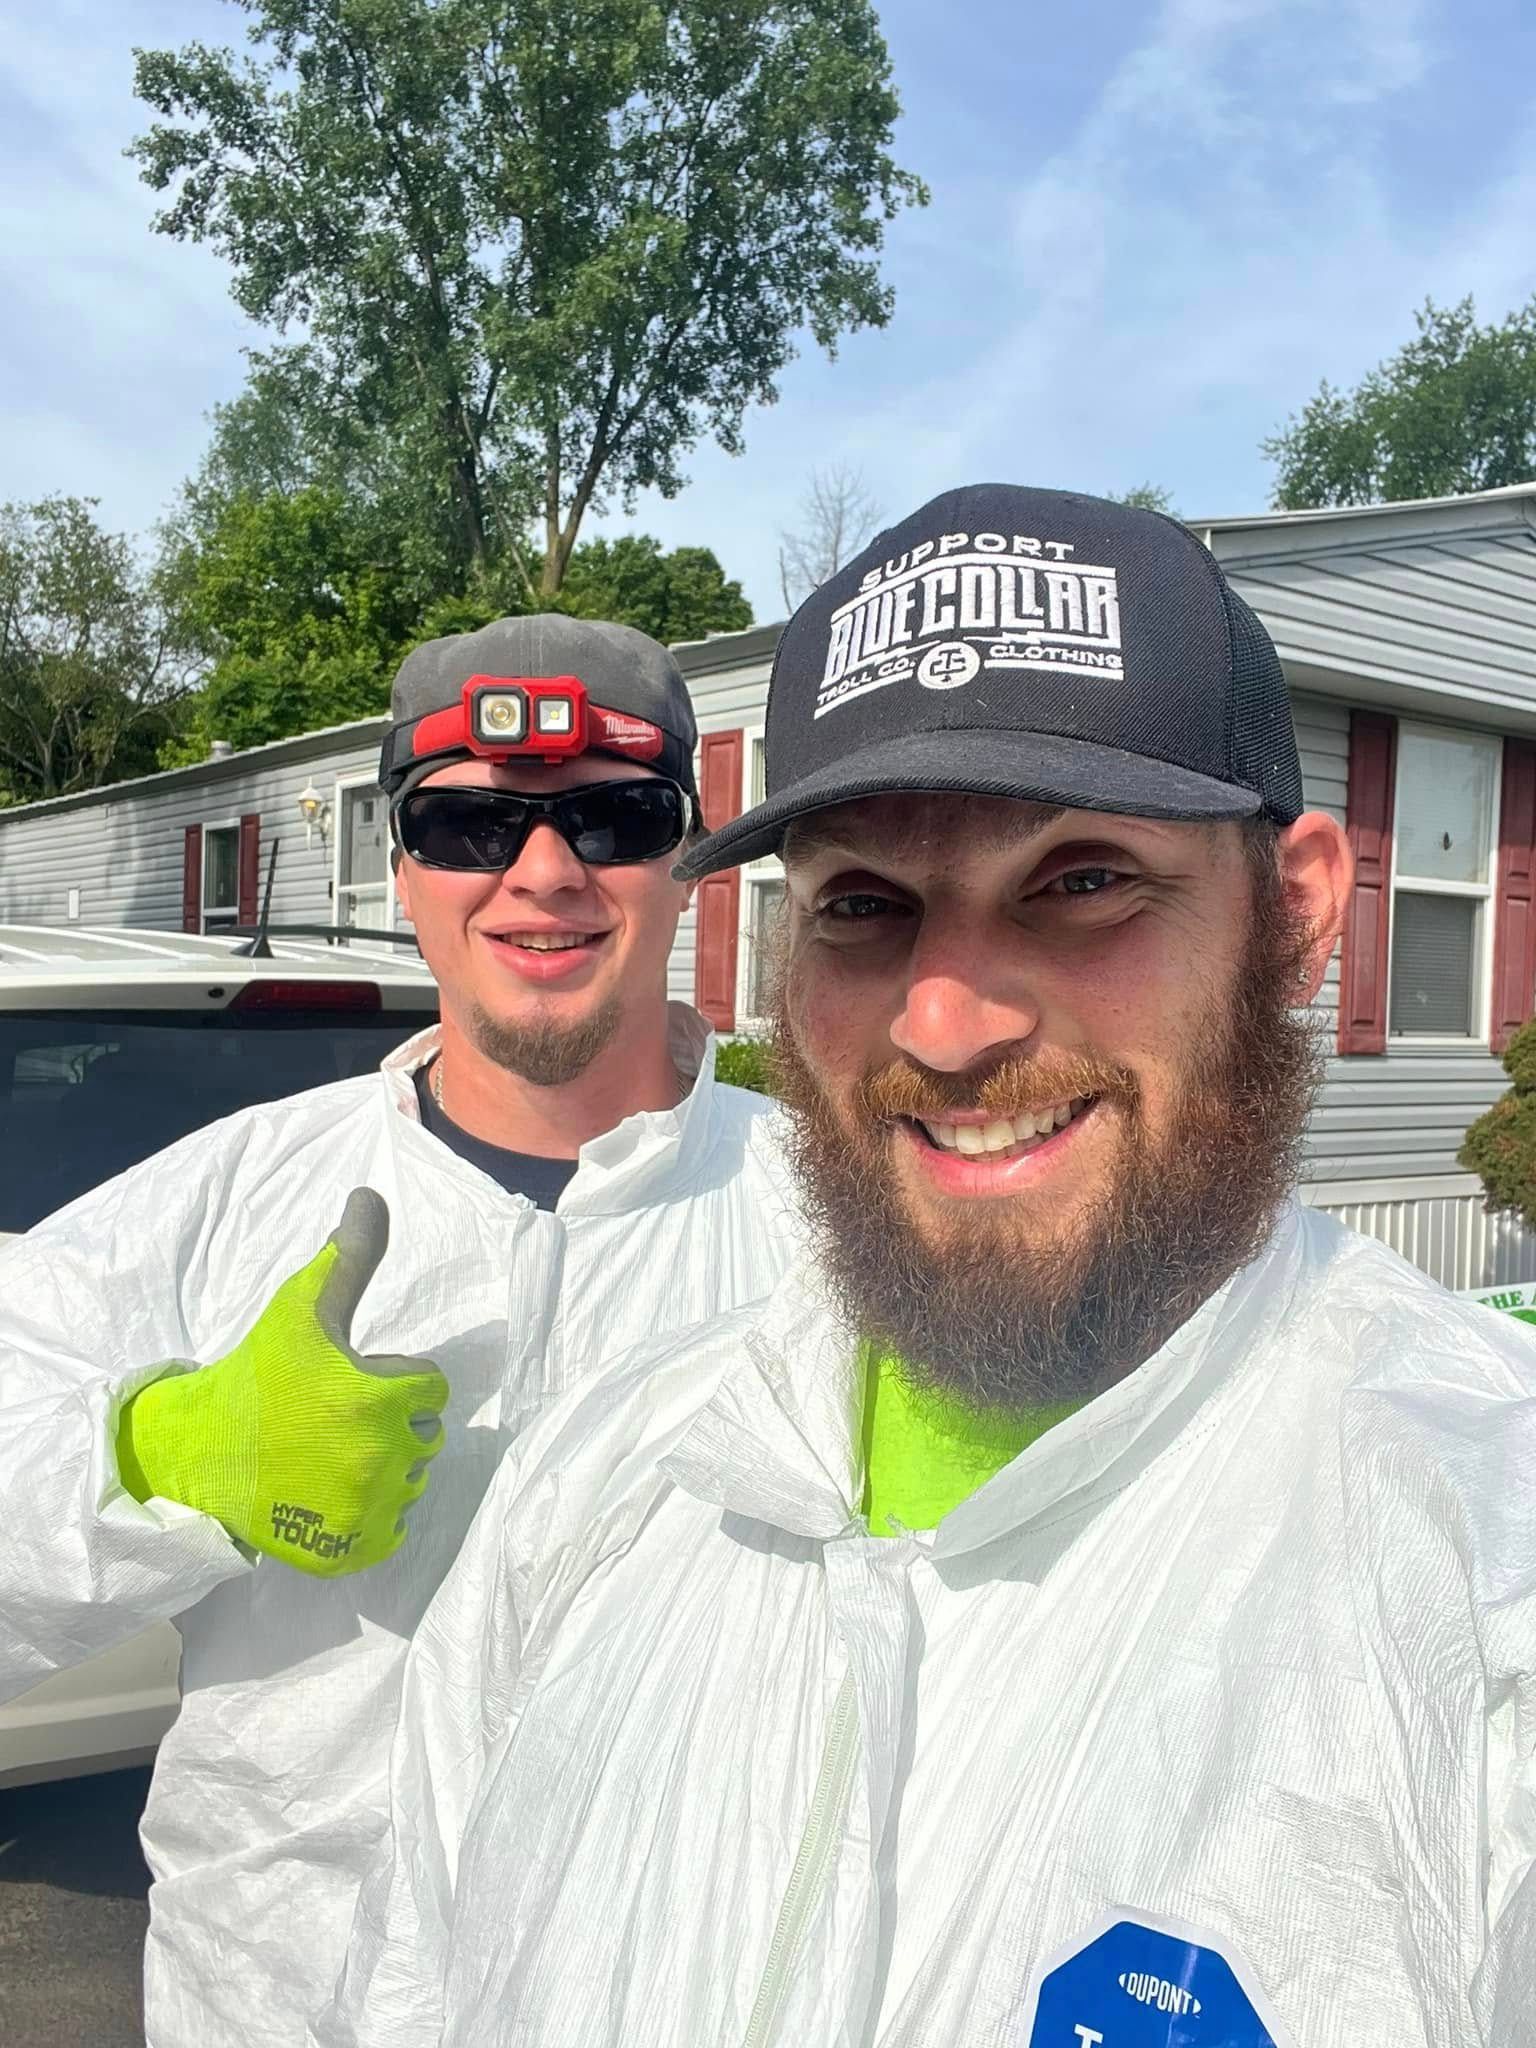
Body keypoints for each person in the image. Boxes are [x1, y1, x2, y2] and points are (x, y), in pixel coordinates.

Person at [320, 488, 1536, 2048]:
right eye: (866, 906)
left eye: (1083, 878)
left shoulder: (1481, 1567)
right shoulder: (616, 1483)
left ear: (1294, 914)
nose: (945, 1023)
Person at [0, 615, 800, 2048]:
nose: (543, 873)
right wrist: (159, 1456)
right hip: (283, 2005)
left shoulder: (838, 1223)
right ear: (404, 864)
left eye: (615, 817)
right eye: (468, 825)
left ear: (687, 859)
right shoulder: (230, 1198)